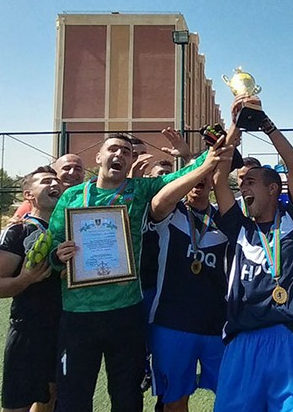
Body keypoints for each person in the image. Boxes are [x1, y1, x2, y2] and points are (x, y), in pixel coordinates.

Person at [48, 133, 226, 412]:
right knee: (74, 396)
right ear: (99, 157)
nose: (119, 154)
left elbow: (184, 176)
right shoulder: (72, 195)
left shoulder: (141, 190)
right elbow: (53, 242)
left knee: (127, 395)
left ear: (131, 161)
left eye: (126, 152)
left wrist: (213, 149)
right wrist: (58, 255)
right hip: (78, 312)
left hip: (126, 310)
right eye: (113, 149)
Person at [210, 96, 293, 412]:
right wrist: (236, 125)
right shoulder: (240, 228)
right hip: (242, 337)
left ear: (272, 189)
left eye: (251, 182)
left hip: (291, 334)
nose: (243, 187)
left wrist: (265, 123)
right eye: (242, 183)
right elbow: (218, 179)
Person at [145, 171, 228, 412]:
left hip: (218, 324)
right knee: (174, 401)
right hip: (172, 322)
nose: (198, 180)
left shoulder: (225, 217)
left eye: (206, 175)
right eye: (193, 174)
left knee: (232, 396)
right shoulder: (171, 212)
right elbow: (158, 203)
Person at [0, 166, 64, 412]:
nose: (54, 184)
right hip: (29, 329)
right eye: (45, 181)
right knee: (18, 404)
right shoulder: (17, 231)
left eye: (56, 181)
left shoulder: (69, 229)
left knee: (50, 398)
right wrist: (26, 278)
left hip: (64, 326)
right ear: (28, 195)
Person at [12, 154, 85, 219]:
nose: (72, 173)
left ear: (83, 173)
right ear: (56, 172)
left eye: (78, 169)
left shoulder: (87, 198)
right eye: (66, 168)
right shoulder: (33, 203)